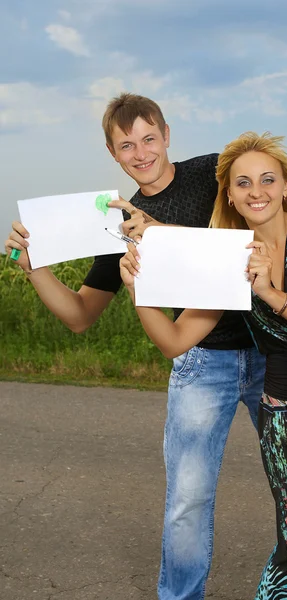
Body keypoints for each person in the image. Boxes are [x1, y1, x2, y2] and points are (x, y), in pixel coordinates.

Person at [4, 94, 266, 600]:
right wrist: (35, 267)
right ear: (112, 153)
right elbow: (81, 315)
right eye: (127, 145)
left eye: (149, 138)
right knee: (187, 501)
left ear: (167, 134)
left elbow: (248, 233)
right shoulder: (115, 224)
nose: (141, 152)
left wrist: (159, 234)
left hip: (271, 350)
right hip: (200, 359)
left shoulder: (216, 173)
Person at [121, 131, 287, 600]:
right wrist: (138, 293)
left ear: (286, 186)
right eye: (243, 183)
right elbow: (175, 341)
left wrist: (271, 292)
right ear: (230, 194)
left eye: (268, 179)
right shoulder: (226, 261)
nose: (257, 191)